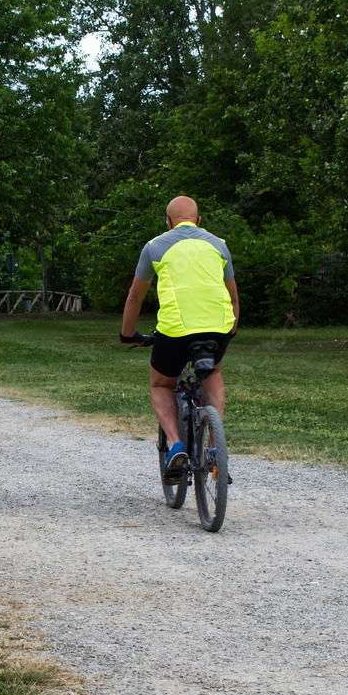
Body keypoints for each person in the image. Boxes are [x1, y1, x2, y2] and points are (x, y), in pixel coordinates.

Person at [120, 195, 239, 483]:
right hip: (217, 327)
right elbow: (234, 298)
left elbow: (135, 297)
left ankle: (175, 445)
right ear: (199, 221)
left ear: (168, 221)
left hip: (175, 330)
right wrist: (230, 331)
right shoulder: (219, 245)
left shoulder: (155, 246)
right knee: (213, 373)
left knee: (161, 384)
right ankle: (215, 447)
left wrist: (127, 334)